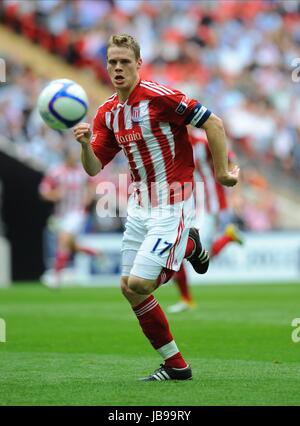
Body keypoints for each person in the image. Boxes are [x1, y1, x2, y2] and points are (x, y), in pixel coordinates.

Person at [73, 34, 239, 381]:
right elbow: (93, 167)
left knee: (140, 283)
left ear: (138, 64)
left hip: (173, 202)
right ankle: (176, 365)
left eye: (125, 62)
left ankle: (189, 244)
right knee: (127, 288)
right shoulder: (107, 113)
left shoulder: (160, 97)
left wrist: (222, 172)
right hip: (138, 207)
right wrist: (86, 145)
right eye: (112, 62)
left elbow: (214, 122)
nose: (118, 68)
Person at [168, 129, 243, 314]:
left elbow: (229, 157)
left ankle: (227, 238)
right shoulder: (172, 142)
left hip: (209, 204)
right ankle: (186, 299)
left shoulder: (203, 140)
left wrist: (233, 179)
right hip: (185, 203)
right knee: (176, 249)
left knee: (200, 255)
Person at [39, 148, 99, 287]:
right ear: (66, 157)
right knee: (69, 245)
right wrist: (55, 194)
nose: (75, 159)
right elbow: (43, 192)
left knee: (63, 240)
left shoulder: (82, 171)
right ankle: (95, 253)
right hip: (60, 214)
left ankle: (56, 276)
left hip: (77, 213)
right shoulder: (55, 172)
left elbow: (93, 186)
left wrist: (88, 197)